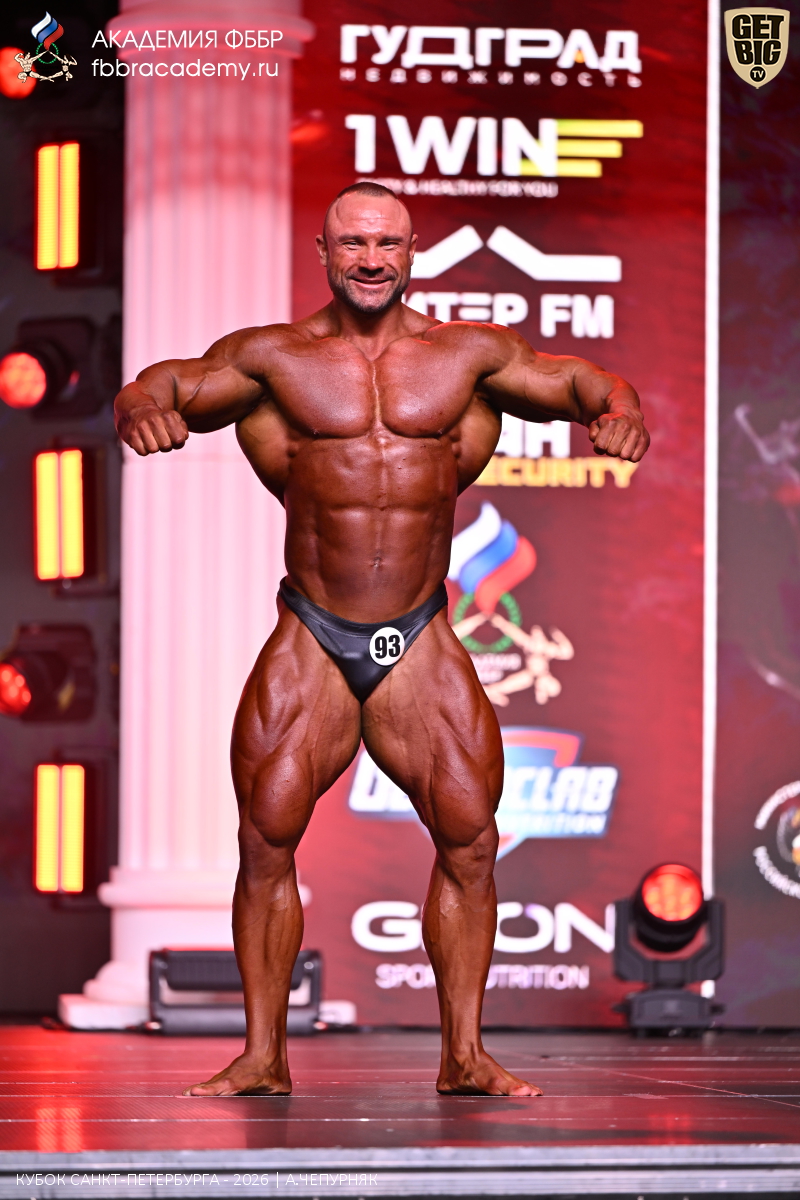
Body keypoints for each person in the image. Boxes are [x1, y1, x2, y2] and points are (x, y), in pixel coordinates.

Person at [114, 182, 649, 1097]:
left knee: (471, 840)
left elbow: (578, 381)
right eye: (353, 243)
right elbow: (164, 384)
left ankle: (464, 1055)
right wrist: (139, 410)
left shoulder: (468, 356)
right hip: (314, 631)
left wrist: (620, 409)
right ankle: (262, 1055)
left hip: (419, 630)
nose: (371, 259)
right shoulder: (273, 358)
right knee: (265, 839)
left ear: (412, 252)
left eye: (388, 243)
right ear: (324, 253)